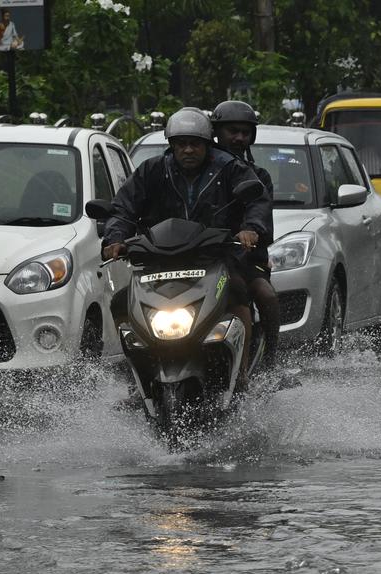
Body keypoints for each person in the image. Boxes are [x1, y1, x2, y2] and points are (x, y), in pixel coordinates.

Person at [101, 107, 270, 388]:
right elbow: (123, 209)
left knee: (239, 292)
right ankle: (136, 374)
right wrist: (115, 239)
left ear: (207, 144)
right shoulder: (152, 170)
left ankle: (240, 376)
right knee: (121, 300)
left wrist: (251, 228)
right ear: (172, 146)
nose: (188, 150)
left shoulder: (230, 168)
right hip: (160, 261)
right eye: (181, 144)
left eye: (195, 144)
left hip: (215, 257)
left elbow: (256, 200)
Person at [211, 100, 280, 366]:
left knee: (266, 295)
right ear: (217, 132)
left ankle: (270, 360)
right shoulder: (202, 172)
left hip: (245, 261)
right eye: (232, 131)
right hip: (204, 258)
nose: (239, 137)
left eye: (245, 132)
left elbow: (261, 215)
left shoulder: (259, 176)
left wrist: (250, 231)